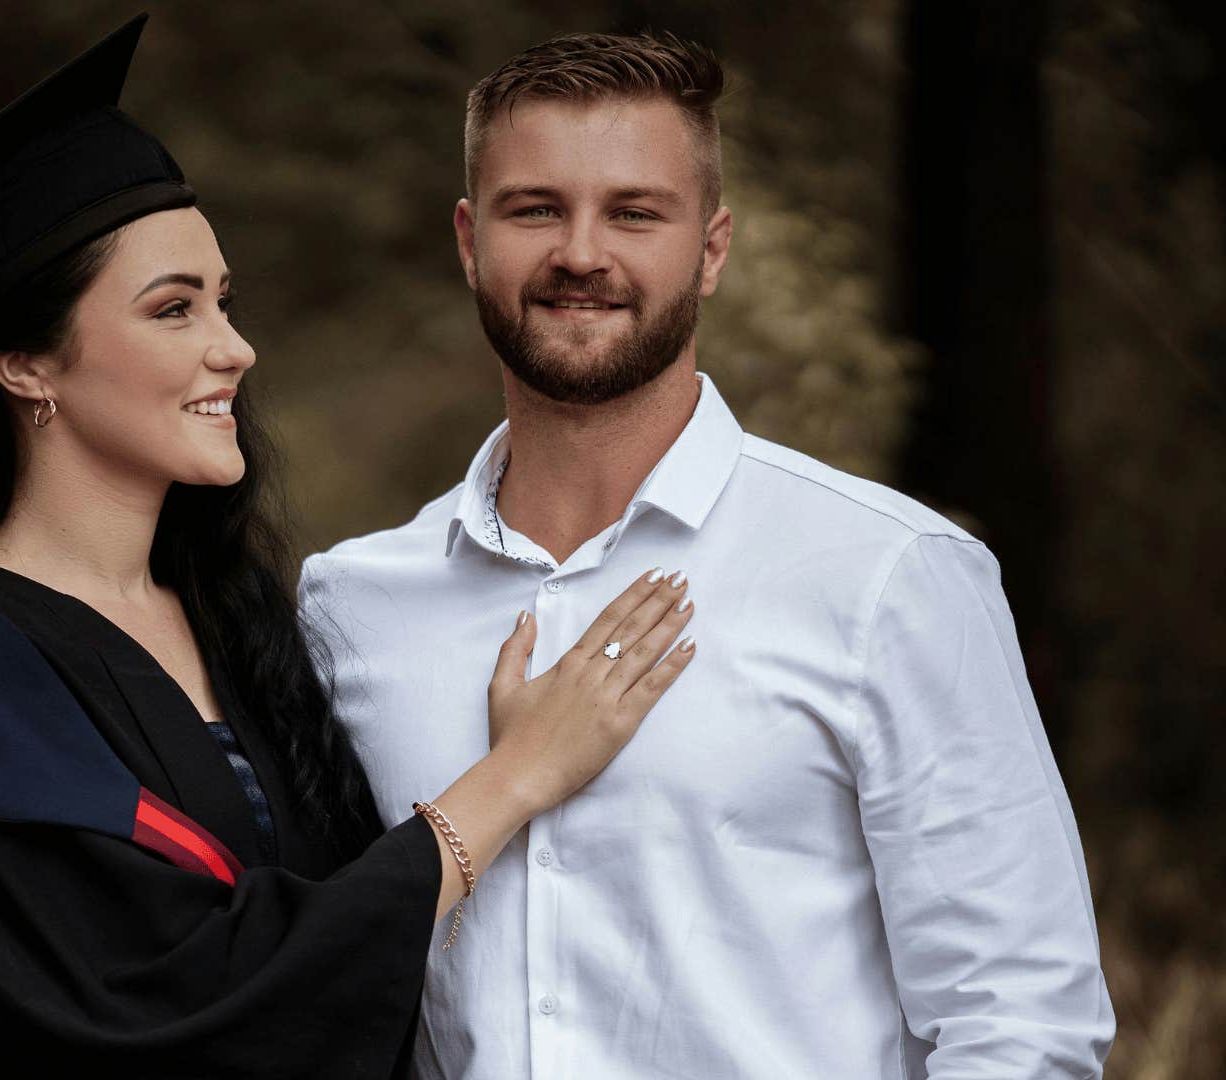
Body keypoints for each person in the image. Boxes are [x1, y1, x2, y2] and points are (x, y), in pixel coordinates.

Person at [0, 16, 698, 1077]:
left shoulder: (242, 620)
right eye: (174, 310)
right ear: (24, 362)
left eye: (224, 299)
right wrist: (512, 779)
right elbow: (166, 1014)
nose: (234, 346)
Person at [299, 29, 1114, 1079]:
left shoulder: (888, 574)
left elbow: (1022, 1022)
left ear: (713, 249)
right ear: (469, 240)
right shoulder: (351, 607)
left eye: (635, 212)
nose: (581, 253)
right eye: (535, 208)